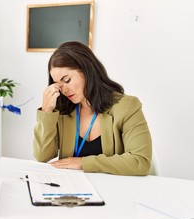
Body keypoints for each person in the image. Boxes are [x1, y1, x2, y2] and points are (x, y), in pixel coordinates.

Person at [33, 41, 152, 176]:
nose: (64, 90)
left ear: (87, 70)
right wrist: (46, 112)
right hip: (72, 189)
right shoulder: (63, 111)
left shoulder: (127, 106)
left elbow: (140, 162)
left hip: (115, 191)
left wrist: (83, 163)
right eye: (58, 85)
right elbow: (42, 156)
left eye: (67, 80)